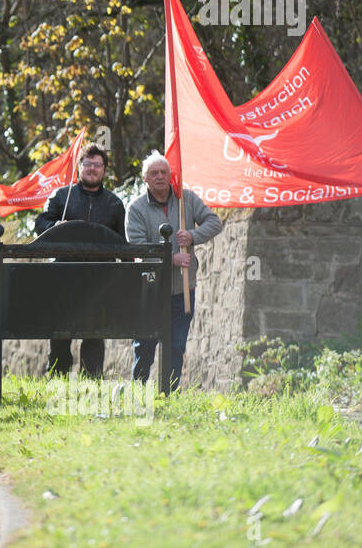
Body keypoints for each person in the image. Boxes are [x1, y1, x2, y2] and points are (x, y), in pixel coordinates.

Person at [125, 151, 223, 393]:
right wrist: (170, 258)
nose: (159, 177)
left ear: (171, 175)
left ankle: (167, 394)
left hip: (183, 289)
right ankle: (138, 394)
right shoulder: (135, 209)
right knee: (145, 346)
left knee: (176, 345)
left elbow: (214, 222)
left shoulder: (186, 200)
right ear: (145, 178)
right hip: (150, 290)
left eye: (164, 172)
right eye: (154, 173)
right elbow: (138, 248)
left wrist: (192, 235)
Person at [34, 143, 125, 378]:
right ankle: (57, 380)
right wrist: (55, 226)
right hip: (63, 277)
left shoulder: (115, 204)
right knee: (60, 334)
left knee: (94, 334)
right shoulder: (61, 196)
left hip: (100, 280)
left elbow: (124, 243)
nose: (92, 169)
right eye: (88, 164)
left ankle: (91, 382)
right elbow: (40, 225)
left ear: (104, 170)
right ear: (79, 167)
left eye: (97, 165)